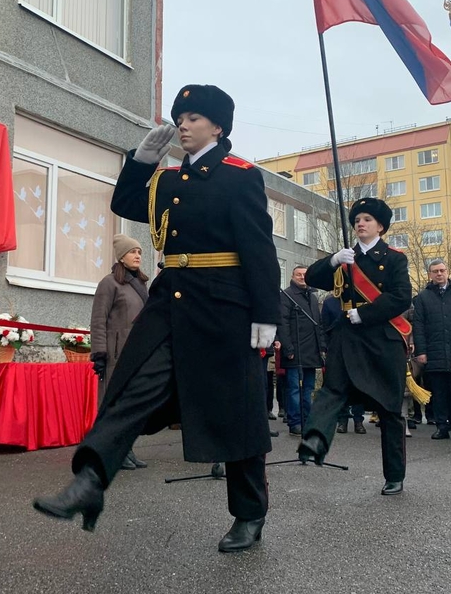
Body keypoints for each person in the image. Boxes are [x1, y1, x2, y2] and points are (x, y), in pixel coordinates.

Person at [33, 84, 279, 553]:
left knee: (237, 412)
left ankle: (249, 514)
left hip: (227, 308)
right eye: (179, 116)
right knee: (131, 387)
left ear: (217, 126)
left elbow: (259, 250)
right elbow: (125, 205)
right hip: (172, 302)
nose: (182, 124)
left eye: (192, 117)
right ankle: (90, 482)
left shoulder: (238, 176)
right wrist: (141, 162)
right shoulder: (168, 180)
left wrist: (266, 315)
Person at [297, 197, 412, 496]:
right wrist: (333, 260)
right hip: (348, 337)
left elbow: (401, 297)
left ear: (380, 227)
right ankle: (315, 441)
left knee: (389, 408)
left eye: (367, 219)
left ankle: (395, 475)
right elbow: (310, 278)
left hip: (382, 337)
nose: (360, 223)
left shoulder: (395, 258)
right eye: (357, 219)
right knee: (332, 389)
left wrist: (365, 313)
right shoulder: (346, 258)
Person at [89, 234, 150, 471]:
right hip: (115, 355)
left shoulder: (141, 284)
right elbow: (98, 320)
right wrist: (100, 353)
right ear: (121, 256)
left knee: (130, 406)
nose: (137, 256)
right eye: (133, 251)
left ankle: (127, 449)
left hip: (135, 356)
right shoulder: (109, 283)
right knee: (112, 405)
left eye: (139, 252)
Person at [412, 259, 451, 441]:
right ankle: (442, 426)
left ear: (447, 272)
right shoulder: (423, 297)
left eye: (442, 270)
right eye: (435, 271)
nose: (439, 274)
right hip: (434, 352)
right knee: (438, 393)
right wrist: (421, 351)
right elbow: (419, 326)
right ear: (430, 274)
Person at [278, 266, 325, 436]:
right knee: (294, 389)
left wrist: (322, 347)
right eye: (299, 274)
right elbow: (282, 324)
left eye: (305, 275)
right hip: (295, 351)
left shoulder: (312, 297)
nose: (302, 277)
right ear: (292, 276)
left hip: (312, 352)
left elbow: (318, 324)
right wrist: (288, 348)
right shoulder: (286, 295)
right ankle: (295, 422)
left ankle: (308, 420)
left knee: (308, 389)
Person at [321, 293, 366, 434]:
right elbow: (324, 327)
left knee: (359, 385)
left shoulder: (361, 300)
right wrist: (326, 347)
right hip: (337, 349)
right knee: (341, 385)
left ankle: (359, 421)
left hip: (358, 348)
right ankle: (342, 420)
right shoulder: (330, 302)